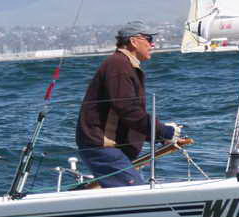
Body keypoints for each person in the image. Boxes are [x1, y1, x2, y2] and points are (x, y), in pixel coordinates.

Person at [75, 20, 182, 187]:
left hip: (111, 148)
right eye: (149, 39)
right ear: (133, 41)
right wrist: (163, 131)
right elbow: (128, 110)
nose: (153, 44)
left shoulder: (124, 64)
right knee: (138, 194)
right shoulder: (119, 65)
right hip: (103, 147)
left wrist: (157, 135)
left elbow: (125, 117)